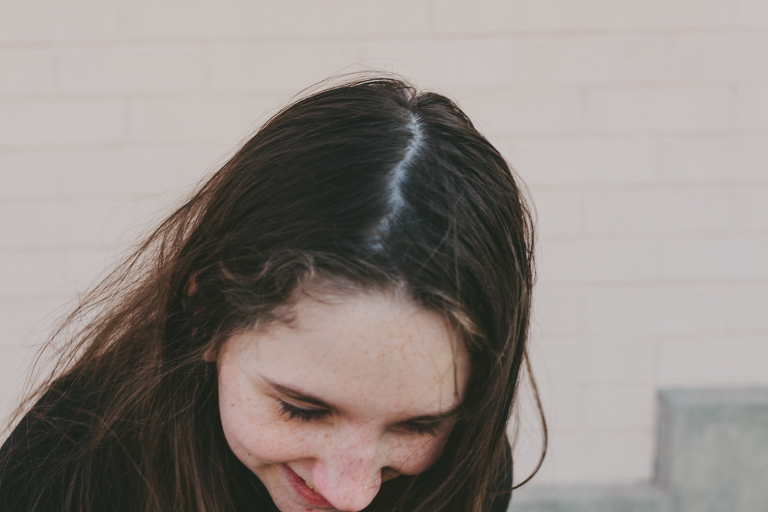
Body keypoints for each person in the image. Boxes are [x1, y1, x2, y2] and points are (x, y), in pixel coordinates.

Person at [0, 75, 543, 512]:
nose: (351, 494)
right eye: (302, 410)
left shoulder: (467, 467)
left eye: (418, 425)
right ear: (203, 313)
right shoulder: (65, 466)